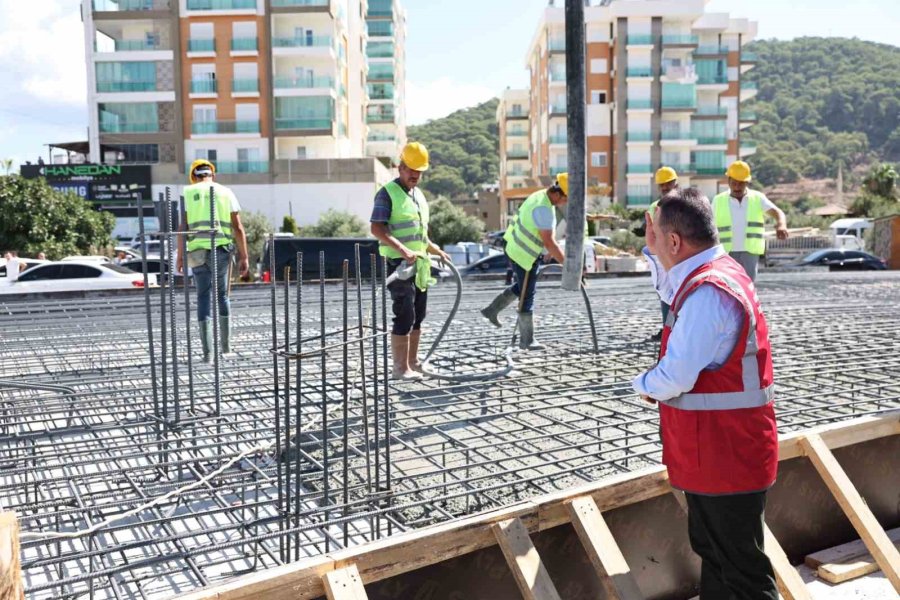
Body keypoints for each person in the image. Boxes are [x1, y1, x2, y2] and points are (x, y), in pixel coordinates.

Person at [635, 187, 778, 600]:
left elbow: (676, 375)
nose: (655, 244)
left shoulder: (708, 294)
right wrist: (651, 251)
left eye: (658, 237)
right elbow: (672, 288)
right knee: (718, 559)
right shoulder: (717, 272)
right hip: (722, 455)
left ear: (676, 241)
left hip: (725, 456)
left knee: (741, 572)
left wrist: (643, 385)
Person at [370, 142, 450, 380]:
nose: (415, 175)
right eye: (411, 169)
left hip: (420, 264)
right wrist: (402, 249)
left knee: (418, 313)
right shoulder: (387, 193)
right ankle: (400, 368)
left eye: (419, 171)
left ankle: (413, 363)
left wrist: (435, 250)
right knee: (404, 314)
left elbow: (420, 234)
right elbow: (377, 228)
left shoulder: (418, 196)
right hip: (399, 264)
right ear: (401, 167)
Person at [480, 173, 568, 350]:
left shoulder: (541, 196)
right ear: (558, 194)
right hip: (523, 253)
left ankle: (492, 310)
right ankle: (527, 340)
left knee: (522, 287)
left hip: (513, 245)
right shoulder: (544, 208)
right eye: (566, 199)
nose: (566, 203)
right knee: (527, 293)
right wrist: (568, 266)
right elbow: (549, 242)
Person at [176, 159, 249, 363]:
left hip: (198, 253)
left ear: (194, 176)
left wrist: (180, 256)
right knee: (222, 297)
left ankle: (207, 354)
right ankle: (226, 349)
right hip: (221, 251)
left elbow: (183, 226)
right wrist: (245, 257)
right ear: (212, 175)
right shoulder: (226, 192)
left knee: (203, 298)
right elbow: (238, 227)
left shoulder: (188, 193)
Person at [713, 161, 788, 281]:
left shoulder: (757, 198)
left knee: (748, 287)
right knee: (728, 288)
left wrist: (781, 225)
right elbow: (707, 223)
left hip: (750, 252)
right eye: (734, 183)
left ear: (747, 182)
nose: (737, 187)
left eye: (741, 183)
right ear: (729, 181)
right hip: (726, 252)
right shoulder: (718, 200)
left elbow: (778, 212)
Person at [649, 166, 680, 341]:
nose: (665, 188)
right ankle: (667, 329)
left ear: (675, 183)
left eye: (668, 184)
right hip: (663, 256)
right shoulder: (655, 206)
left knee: (682, 292)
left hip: (681, 255)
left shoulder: (684, 204)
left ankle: (681, 329)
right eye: (662, 185)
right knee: (665, 293)